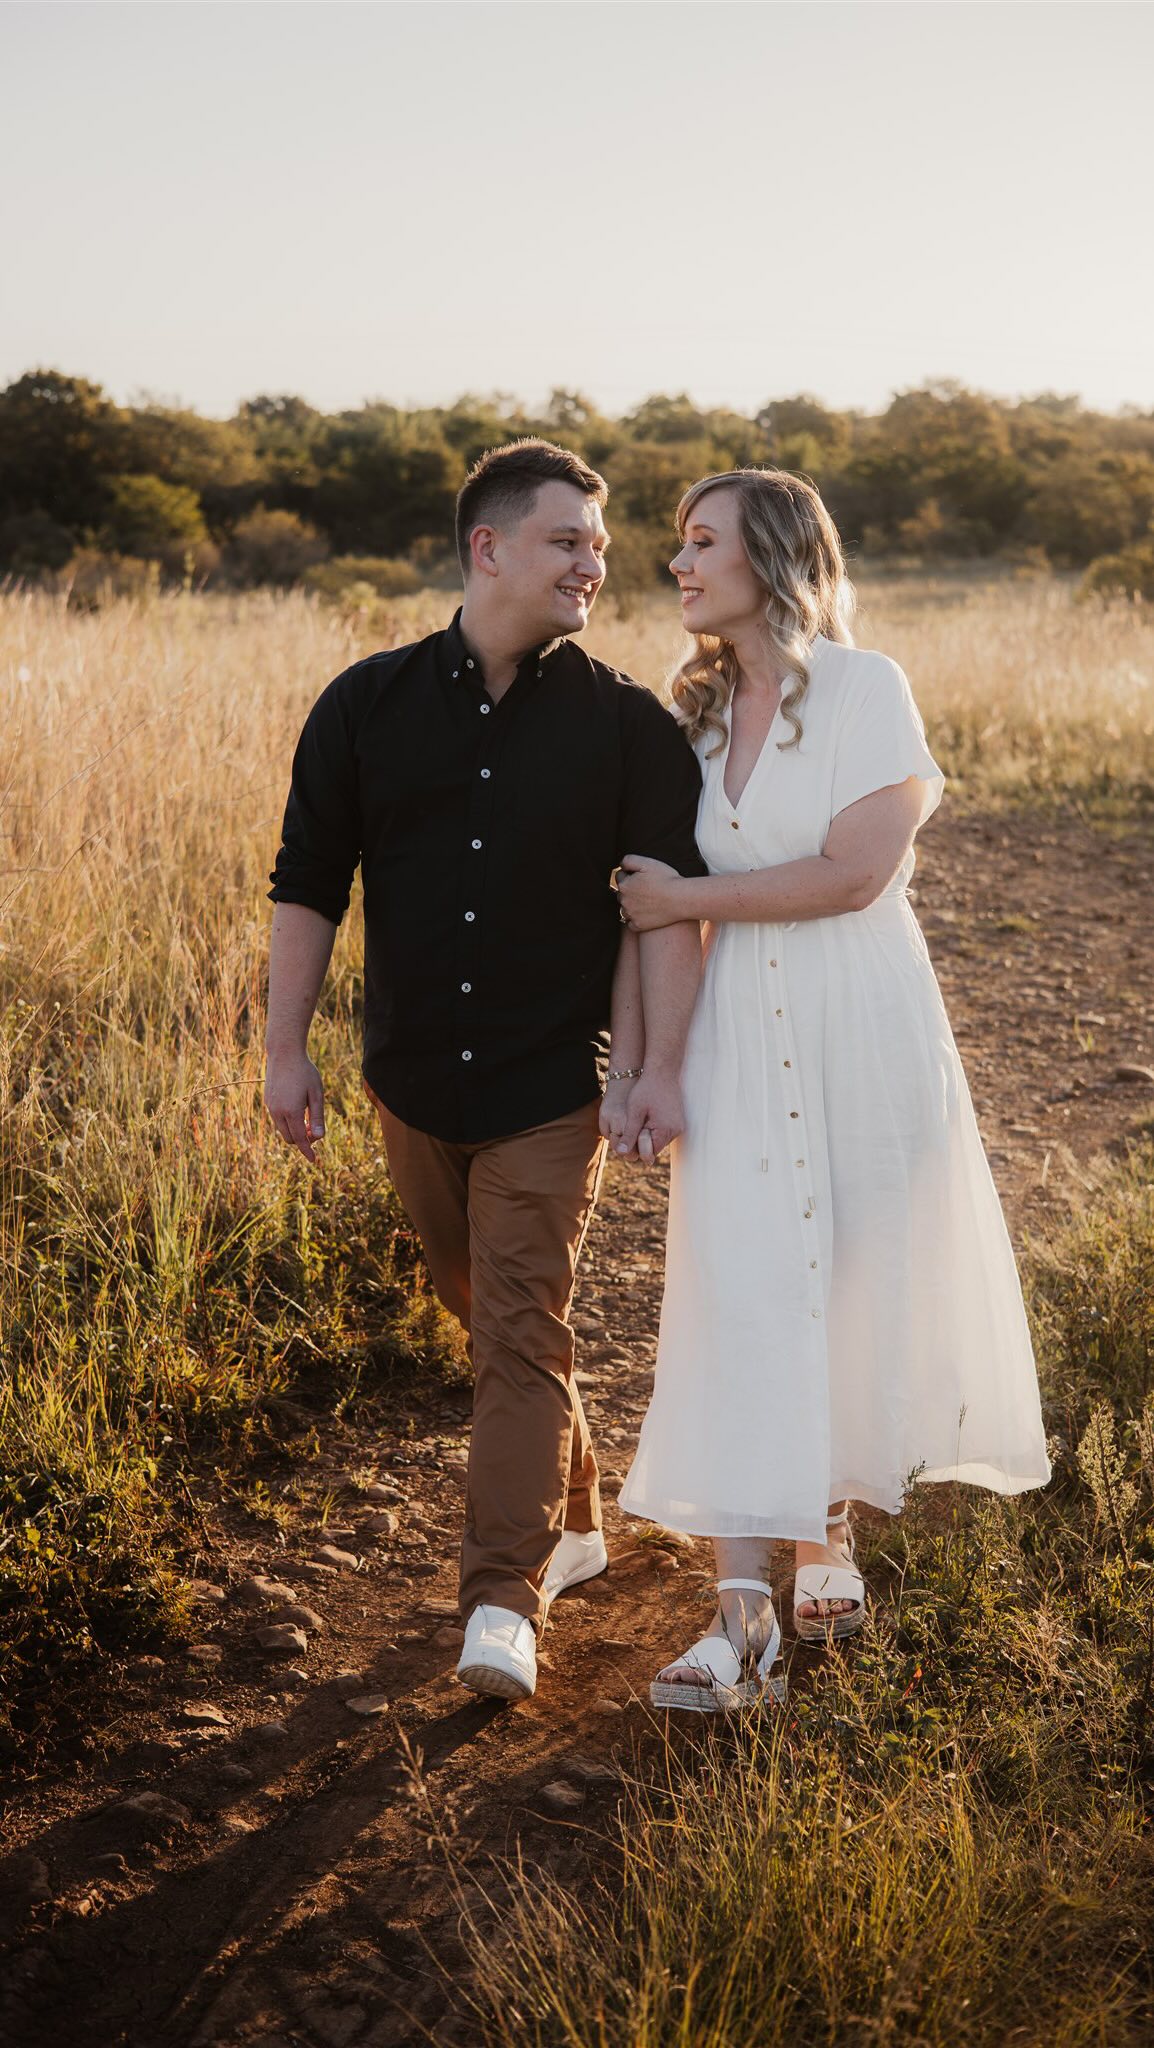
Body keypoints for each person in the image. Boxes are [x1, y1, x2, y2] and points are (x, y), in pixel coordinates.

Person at [264, 439, 702, 1704]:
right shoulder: (363, 704)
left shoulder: (627, 726)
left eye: (599, 545)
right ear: (488, 547)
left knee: (519, 1327)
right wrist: (284, 1049)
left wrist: (653, 1068)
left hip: (547, 1087)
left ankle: (501, 1600)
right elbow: (307, 883)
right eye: (568, 539)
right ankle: (570, 1516)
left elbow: (665, 912)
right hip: (411, 1082)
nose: (595, 562)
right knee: (481, 1309)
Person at [612, 468, 1052, 1713]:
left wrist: (688, 897)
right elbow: (643, 914)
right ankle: (737, 1611)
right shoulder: (685, 719)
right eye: (676, 544)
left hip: (859, 1015)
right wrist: (647, 1066)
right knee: (741, 1278)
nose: (679, 564)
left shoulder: (867, 690)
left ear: (772, 552)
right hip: (733, 1030)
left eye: (701, 541)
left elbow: (856, 872)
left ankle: (829, 1534)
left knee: (851, 1263)